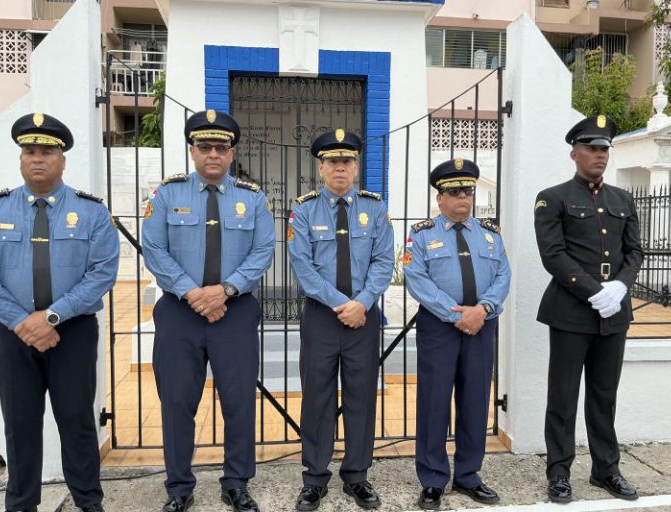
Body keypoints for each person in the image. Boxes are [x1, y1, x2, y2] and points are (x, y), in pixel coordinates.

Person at [0, 112, 120, 512]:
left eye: (47, 152)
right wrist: (23, 322)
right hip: (13, 334)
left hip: (72, 332)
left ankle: (89, 502)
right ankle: (21, 505)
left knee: (78, 422)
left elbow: (102, 272)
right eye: (29, 151)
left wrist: (51, 317)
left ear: (62, 160)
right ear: (21, 158)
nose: (37, 159)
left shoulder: (91, 212)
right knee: (19, 425)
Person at [142, 110, 275, 512]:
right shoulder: (167, 195)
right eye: (205, 146)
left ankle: (236, 483)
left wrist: (225, 291)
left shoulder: (253, 198)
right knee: (177, 401)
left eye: (221, 147)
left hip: (235, 311)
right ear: (192, 150)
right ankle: (179, 486)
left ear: (232, 153)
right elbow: (154, 249)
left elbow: (263, 251)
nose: (213, 154)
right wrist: (192, 293)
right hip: (179, 311)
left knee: (238, 400)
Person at [533, 115, 643, 504]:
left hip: (614, 313)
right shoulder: (553, 198)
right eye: (592, 148)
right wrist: (593, 291)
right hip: (571, 312)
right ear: (574, 153)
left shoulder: (623, 200)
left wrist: (620, 286)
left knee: (604, 395)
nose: (600, 155)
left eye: (604, 149)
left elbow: (635, 251)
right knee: (562, 398)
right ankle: (559, 472)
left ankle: (606, 470)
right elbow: (553, 254)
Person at [286, 129, 394, 511]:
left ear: (356, 166)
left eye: (346, 161)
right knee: (317, 397)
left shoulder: (375, 208)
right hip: (321, 317)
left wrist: (362, 303)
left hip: (364, 318)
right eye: (332, 161)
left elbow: (384, 261)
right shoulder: (304, 210)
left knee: (361, 396)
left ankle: (357, 476)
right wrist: (341, 304)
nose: (340, 168)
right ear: (321, 168)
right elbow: (302, 267)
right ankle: (315, 479)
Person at [403, 158, 511, 510]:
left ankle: (468, 475)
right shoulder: (422, 234)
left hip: (481, 325)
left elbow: (503, 275)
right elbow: (416, 279)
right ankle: (433, 479)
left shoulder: (490, 233)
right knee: (434, 402)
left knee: (475, 401)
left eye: (467, 191)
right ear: (440, 198)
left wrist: (483, 310)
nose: (463, 197)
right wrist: (456, 314)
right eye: (454, 192)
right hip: (439, 327)